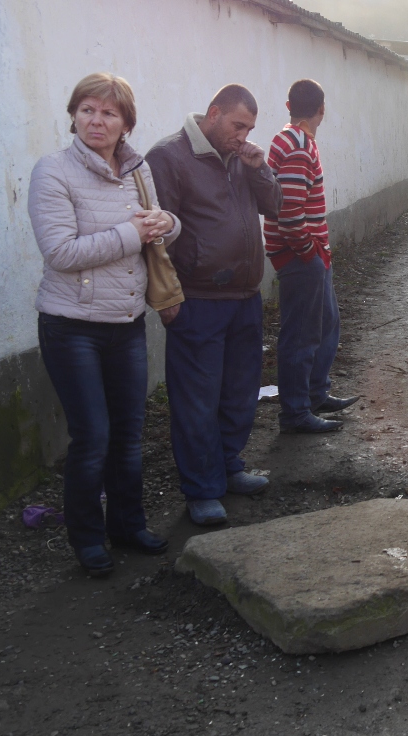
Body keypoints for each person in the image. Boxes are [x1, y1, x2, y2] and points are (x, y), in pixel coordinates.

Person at [28, 73, 178, 576]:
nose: (96, 120)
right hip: (71, 327)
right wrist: (132, 233)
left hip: (126, 322)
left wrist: (167, 223)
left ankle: (128, 525)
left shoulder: (137, 169)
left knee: (129, 434)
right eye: (87, 110)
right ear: (73, 115)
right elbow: (61, 252)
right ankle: (88, 539)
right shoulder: (52, 171)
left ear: (125, 124)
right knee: (92, 436)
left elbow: (156, 225)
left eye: (109, 113)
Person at [147, 85, 280, 526]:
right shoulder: (169, 157)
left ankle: (228, 465)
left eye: (249, 129)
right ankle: (202, 489)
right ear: (214, 112)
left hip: (245, 295)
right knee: (197, 400)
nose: (243, 136)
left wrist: (260, 170)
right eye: (237, 125)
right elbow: (156, 235)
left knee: (239, 391)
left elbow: (275, 207)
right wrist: (167, 295)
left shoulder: (242, 158)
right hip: (198, 299)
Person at [263, 79, 357, 434]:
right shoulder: (299, 146)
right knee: (301, 335)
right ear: (322, 109)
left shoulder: (288, 139)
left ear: (289, 106)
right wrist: (309, 254)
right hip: (302, 256)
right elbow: (289, 213)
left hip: (312, 254)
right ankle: (296, 412)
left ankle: (316, 393)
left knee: (326, 323)